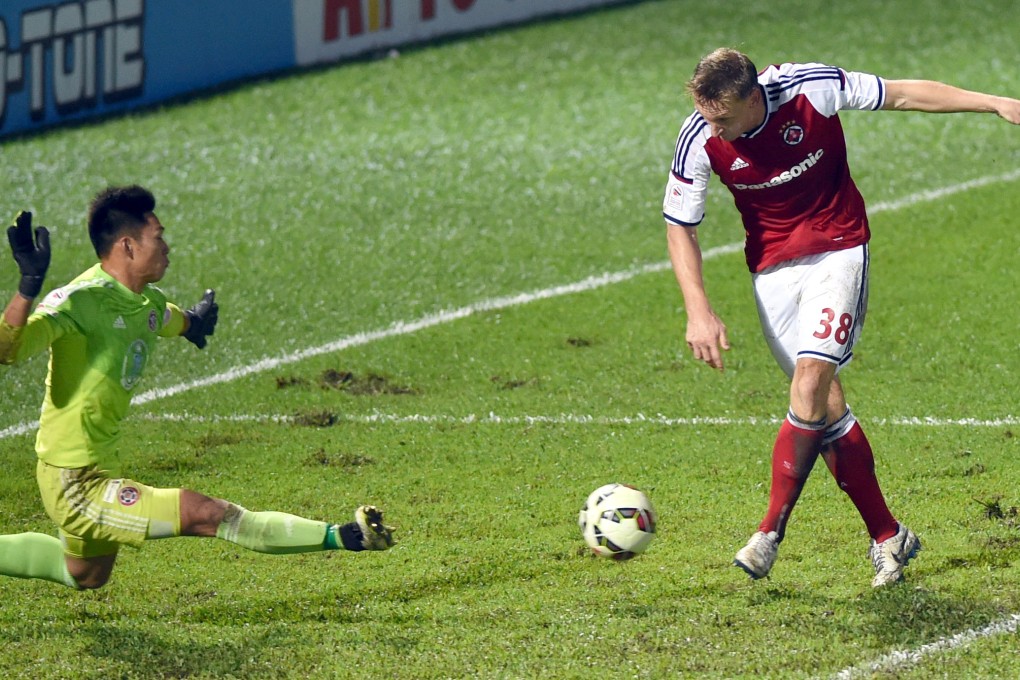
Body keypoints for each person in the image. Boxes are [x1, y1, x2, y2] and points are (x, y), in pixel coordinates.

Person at [663, 48, 1020, 587]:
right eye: (708, 116)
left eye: (723, 118)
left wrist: (992, 102)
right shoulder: (700, 139)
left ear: (754, 96)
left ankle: (768, 534)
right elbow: (680, 227)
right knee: (823, 410)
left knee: (809, 383)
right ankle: (888, 535)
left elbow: (902, 92)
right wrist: (699, 311)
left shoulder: (812, 88)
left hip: (838, 248)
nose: (713, 127)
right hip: (773, 270)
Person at [0, 186, 394, 591]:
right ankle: (347, 535)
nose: (168, 247)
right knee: (209, 514)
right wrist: (29, 286)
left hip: (102, 466)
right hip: (76, 482)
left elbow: (163, 317)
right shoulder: (76, 303)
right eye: (159, 236)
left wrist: (193, 322)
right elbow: (7, 350)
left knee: (84, 574)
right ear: (128, 246)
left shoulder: (146, 301)